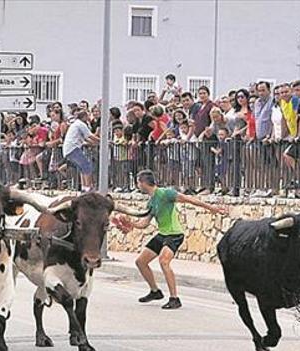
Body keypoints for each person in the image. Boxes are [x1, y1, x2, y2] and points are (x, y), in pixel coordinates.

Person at [120, 169, 228, 310]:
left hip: (175, 234)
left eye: (138, 183)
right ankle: (155, 291)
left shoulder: (165, 193)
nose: (137, 186)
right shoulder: (152, 202)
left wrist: (211, 208)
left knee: (164, 261)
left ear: (143, 182)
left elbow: (189, 199)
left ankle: (174, 298)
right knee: (141, 262)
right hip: (163, 235)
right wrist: (131, 224)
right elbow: (144, 223)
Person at [62, 109, 99, 191]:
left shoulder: (75, 124)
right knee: (87, 166)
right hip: (73, 148)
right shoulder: (80, 124)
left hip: (69, 149)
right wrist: (103, 141)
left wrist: (95, 143)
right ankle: (88, 187)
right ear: (84, 117)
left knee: (82, 168)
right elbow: (90, 136)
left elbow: (86, 139)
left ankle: (84, 187)